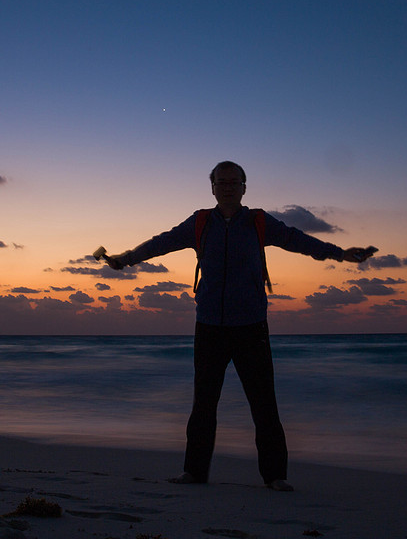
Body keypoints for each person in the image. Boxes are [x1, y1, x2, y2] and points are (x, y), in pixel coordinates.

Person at [100, 161, 376, 491]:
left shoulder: (258, 221)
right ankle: (194, 472)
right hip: (209, 327)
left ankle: (275, 477)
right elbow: (162, 242)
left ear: (245, 187)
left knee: (264, 405)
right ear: (212, 188)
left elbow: (296, 239)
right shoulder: (200, 222)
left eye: (234, 182)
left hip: (251, 326)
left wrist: (341, 254)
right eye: (222, 182)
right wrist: (126, 258)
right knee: (203, 405)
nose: (228, 186)